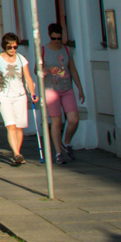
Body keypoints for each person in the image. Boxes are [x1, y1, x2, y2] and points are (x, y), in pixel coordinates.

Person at [0, 32, 38, 166]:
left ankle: (17, 152)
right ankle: (16, 153)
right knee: (10, 125)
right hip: (4, 96)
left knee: (19, 127)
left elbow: (28, 78)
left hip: (20, 96)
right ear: (4, 46)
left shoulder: (21, 58)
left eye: (15, 47)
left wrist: (32, 93)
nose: (12, 50)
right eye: (10, 47)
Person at [42, 23, 85, 164]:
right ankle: (58, 153)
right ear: (50, 37)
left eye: (59, 38)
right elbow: (39, 69)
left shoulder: (67, 50)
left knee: (74, 119)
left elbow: (72, 69)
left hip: (67, 88)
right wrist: (44, 72)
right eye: (54, 39)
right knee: (57, 122)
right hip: (51, 89)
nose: (57, 41)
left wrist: (79, 88)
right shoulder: (43, 51)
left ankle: (66, 143)